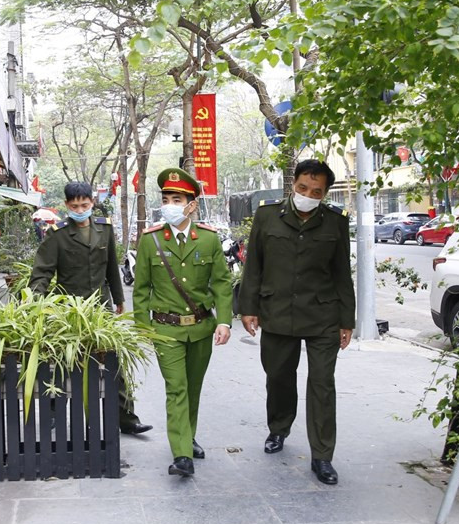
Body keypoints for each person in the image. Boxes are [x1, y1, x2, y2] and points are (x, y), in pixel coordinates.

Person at [238, 159, 355, 485]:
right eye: (303, 188)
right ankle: (278, 428)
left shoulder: (335, 221)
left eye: (316, 191)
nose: (308, 195)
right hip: (276, 312)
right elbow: (254, 266)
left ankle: (322, 455)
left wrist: (347, 319)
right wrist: (248, 308)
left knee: (322, 384)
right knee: (278, 377)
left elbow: (342, 273)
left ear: (325, 193)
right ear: (294, 185)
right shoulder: (267, 215)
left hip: (323, 317)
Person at [29, 181, 152, 435]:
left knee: (112, 361)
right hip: (68, 311)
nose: (80, 209)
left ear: (92, 203)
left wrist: (119, 299)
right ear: (67, 205)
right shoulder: (58, 234)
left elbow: (111, 269)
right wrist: (34, 302)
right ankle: (53, 413)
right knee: (61, 361)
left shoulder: (104, 229)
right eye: (74, 206)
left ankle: (125, 418)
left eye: (84, 205)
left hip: (101, 308)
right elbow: (42, 272)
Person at [132, 168, 232, 477]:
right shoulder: (151, 241)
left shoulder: (209, 239)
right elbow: (141, 290)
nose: (170, 204)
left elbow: (221, 283)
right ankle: (182, 454)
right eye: (166, 198)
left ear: (191, 204)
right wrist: (142, 327)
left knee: (193, 388)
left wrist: (224, 321)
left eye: (177, 199)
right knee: (176, 388)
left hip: (201, 328)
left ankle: (187, 436)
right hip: (166, 330)